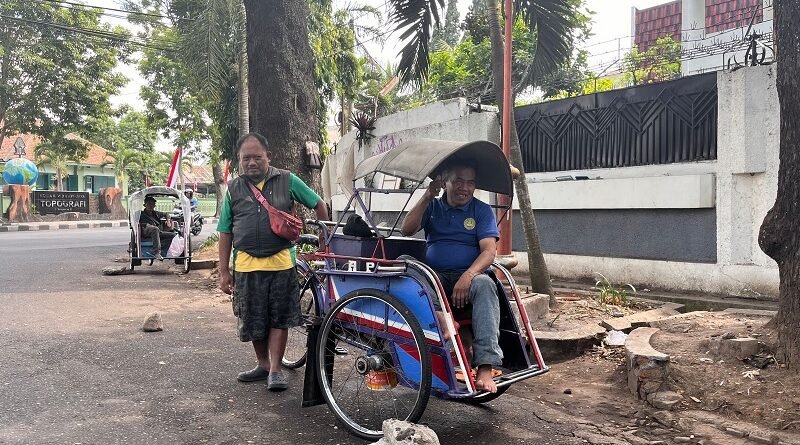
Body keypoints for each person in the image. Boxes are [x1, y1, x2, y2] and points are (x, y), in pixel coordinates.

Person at [217, 132, 328, 391]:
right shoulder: (233, 188)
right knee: (253, 319)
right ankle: (263, 364)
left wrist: (325, 243)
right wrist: (224, 271)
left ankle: (277, 369)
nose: (252, 162)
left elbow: (319, 204)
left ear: (269, 157)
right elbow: (225, 232)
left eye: (257, 157)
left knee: (279, 317)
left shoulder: (287, 180)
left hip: (281, 264)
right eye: (246, 158)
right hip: (245, 266)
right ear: (239, 160)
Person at [400, 163, 502, 393]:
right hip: (434, 278)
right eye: (458, 181)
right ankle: (442, 316)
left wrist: (468, 276)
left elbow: (488, 251)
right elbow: (406, 229)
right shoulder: (433, 206)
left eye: (470, 182)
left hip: (470, 278)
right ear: (444, 182)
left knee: (486, 283)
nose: (464, 188)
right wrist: (427, 196)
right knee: (404, 262)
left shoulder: (481, 211)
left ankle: (485, 368)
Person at [139, 196, 173, 261]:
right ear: (144, 205)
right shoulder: (141, 214)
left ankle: (163, 250)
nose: (150, 205)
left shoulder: (156, 213)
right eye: (148, 204)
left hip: (158, 231)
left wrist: (168, 221)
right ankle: (156, 252)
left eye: (152, 204)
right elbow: (134, 220)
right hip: (146, 230)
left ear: (154, 205)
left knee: (173, 235)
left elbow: (166, 214)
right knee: (155, 229)